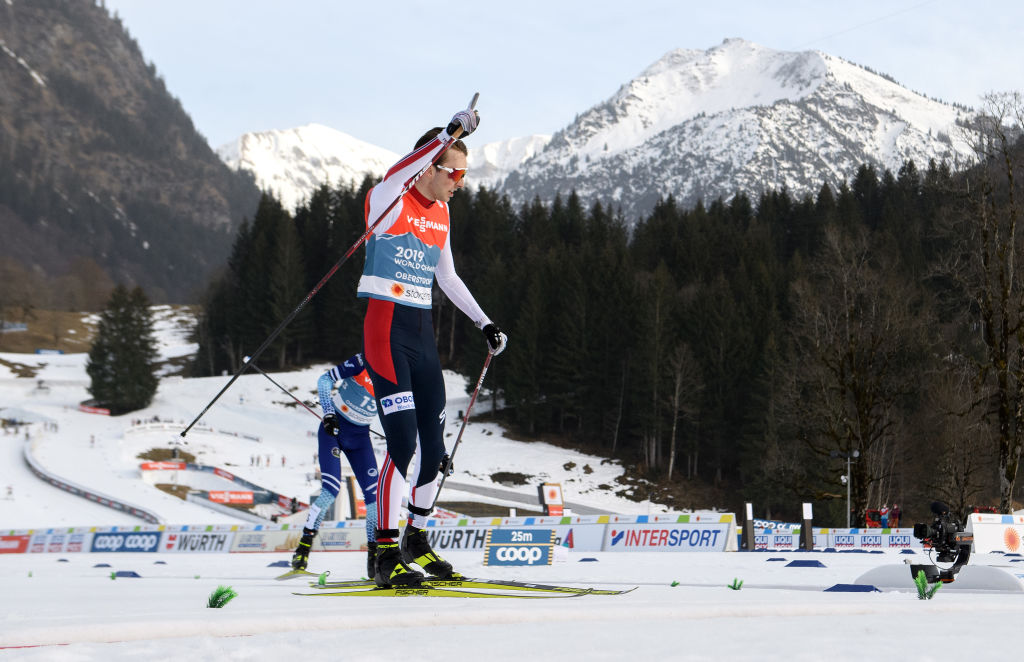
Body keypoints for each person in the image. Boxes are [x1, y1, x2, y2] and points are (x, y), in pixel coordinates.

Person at [359, 106, 507, 587]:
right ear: (430, 166)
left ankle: (415, 540)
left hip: (420, 334)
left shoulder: (442, 213)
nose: (461, 182)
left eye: (465, 173)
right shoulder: (389, 200)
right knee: (400, 443)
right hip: (386, 332)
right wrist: (446, 133)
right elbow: (398, 171)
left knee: (434, 445)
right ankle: (382, 554)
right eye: (455, 172)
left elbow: (447, 276)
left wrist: (485, 322)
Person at [291, 353, 380, 577]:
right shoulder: (363, 361)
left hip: (361, 438)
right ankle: (304, 546)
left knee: (374, 497)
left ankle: (374, 557)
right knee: (331, 490)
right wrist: (329, 413)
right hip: (334, 430)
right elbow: (324, 380)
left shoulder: (397, 374)